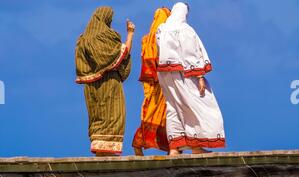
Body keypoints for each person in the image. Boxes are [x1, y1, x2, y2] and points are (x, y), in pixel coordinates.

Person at [156, 2, 225, 156]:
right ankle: (197, 147)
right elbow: (189, 54)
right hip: (183, 73)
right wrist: (199, 76)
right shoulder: (185, 29)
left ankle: (174, 148)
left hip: (164, 74)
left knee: (173, 107)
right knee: (199, 106)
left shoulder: (161, 29)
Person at [76, 6, 135, 155]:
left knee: (97, 116)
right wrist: (130, 34)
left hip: (91, 87)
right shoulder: (106, 36)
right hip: (109, 83)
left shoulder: (82, 39)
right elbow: (122, 54)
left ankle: (100, 152)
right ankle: (107, 154)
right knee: (114, 115)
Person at [132, 7, 171, 156]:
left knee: (150, 114)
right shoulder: (164, 38)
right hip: (163, 83)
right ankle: (172, 149)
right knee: (167, 115)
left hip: (152, 85)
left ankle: (138, 145)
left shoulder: (145, 40)